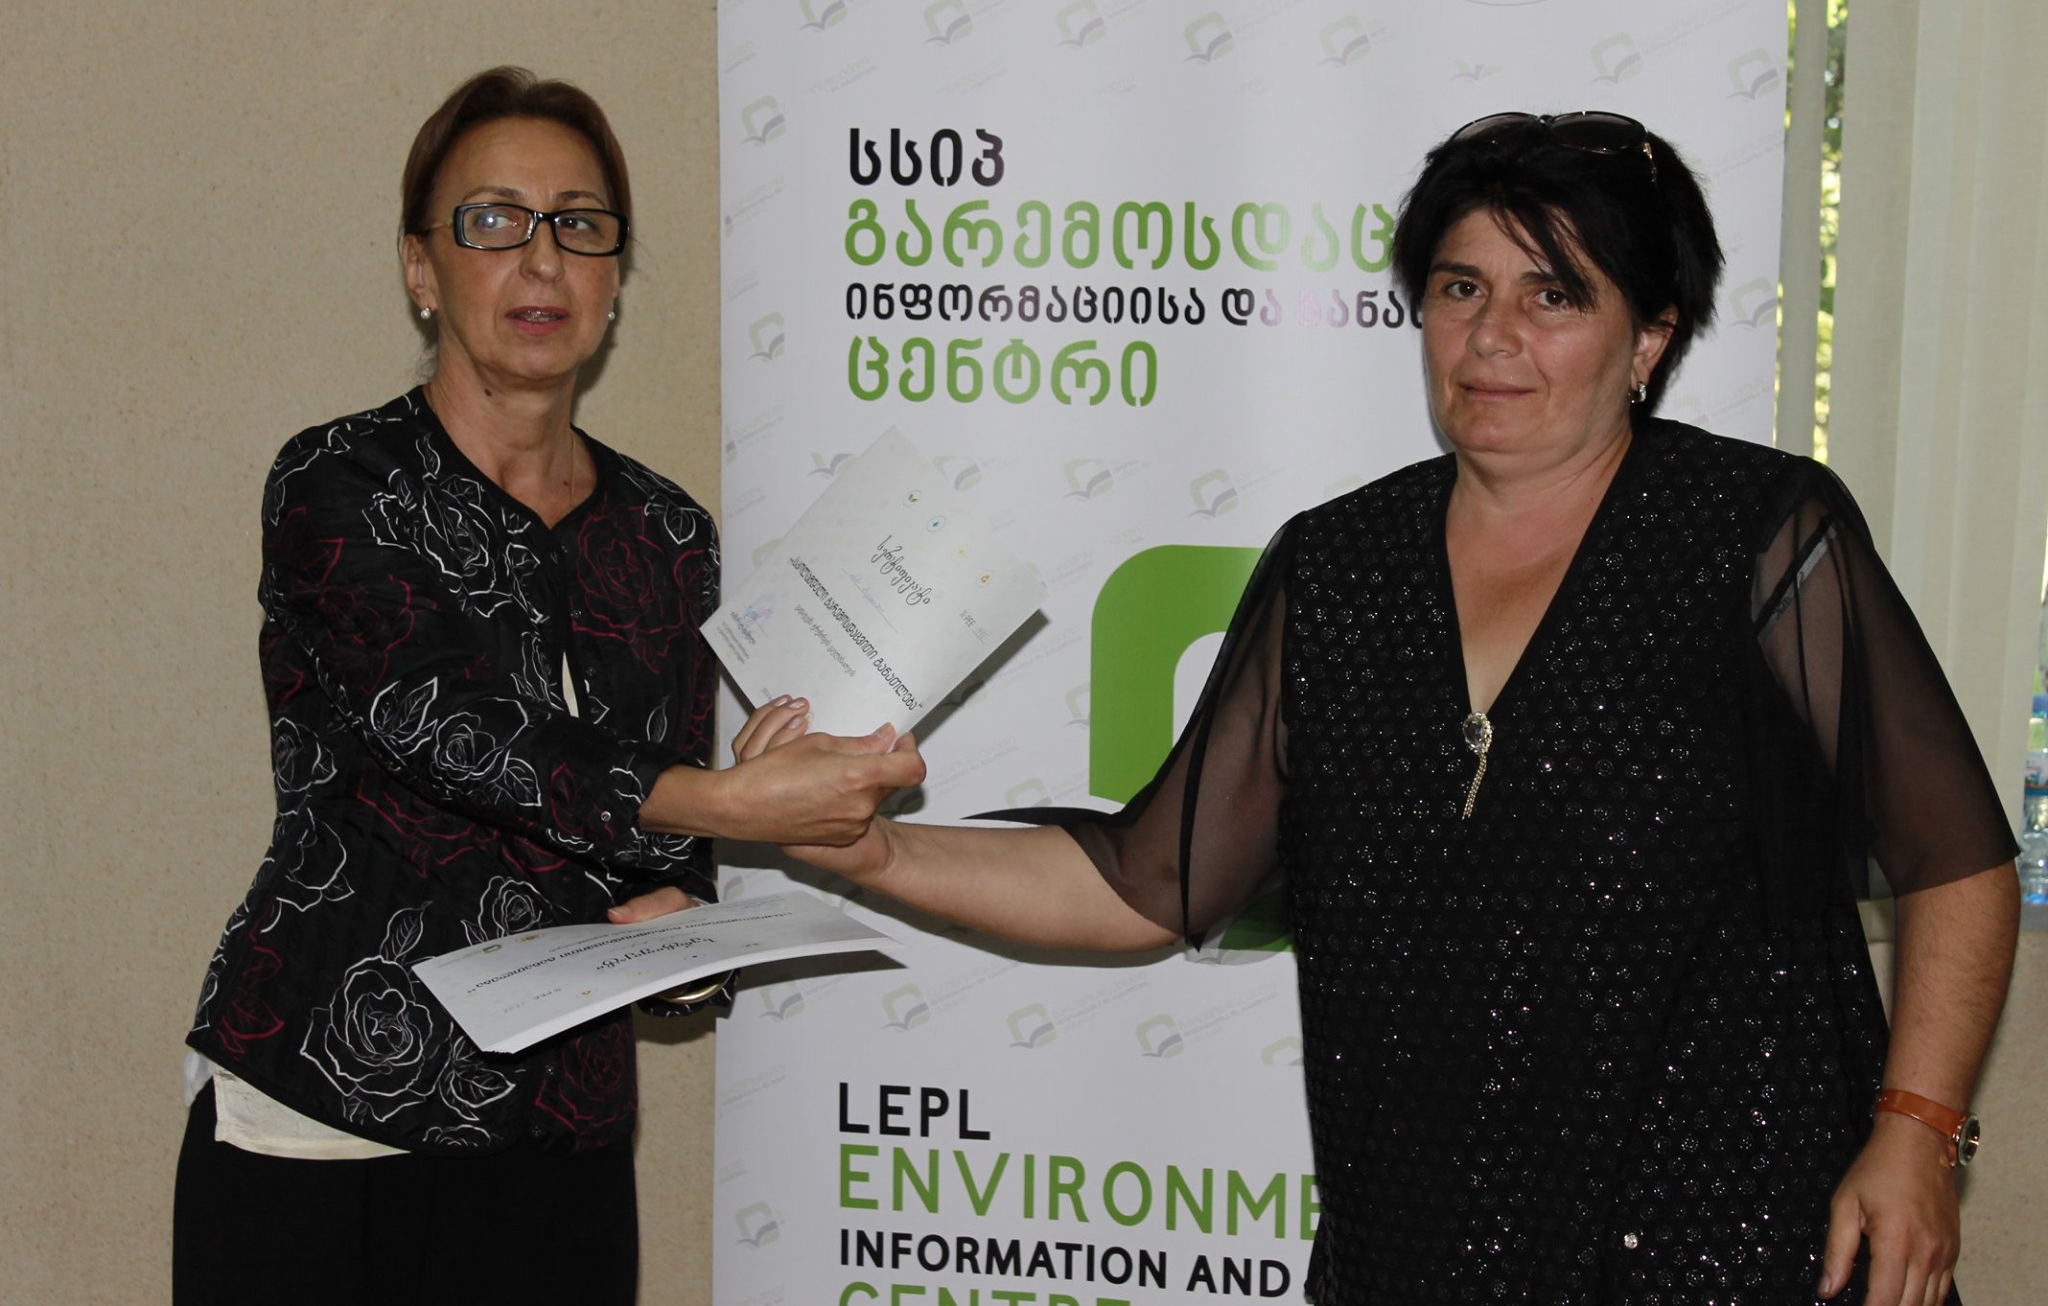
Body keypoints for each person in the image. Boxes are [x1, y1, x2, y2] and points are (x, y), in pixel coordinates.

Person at [734, 111, 2020, 1306]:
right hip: (1415, 1249)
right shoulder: (1338, 569)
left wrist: (1914, 1131)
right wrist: (876, 852)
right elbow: (1144, 880)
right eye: (1460, 289)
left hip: (1735, 1247)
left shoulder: (1754, 536)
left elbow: (1954, 858)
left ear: (1647, 339)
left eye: (1552, 295)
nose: (1490, 336)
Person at [174, 67, 922, 1305]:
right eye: (493, 221)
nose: (541, 259)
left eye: (579, 224)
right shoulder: (338, 480)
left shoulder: (667, 534)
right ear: (420, 268)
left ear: (613, 277)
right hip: (323, 1110)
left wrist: (690, 928)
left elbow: (655, 852)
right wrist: (722, 803)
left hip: (559, 1137)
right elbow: (447, 729)